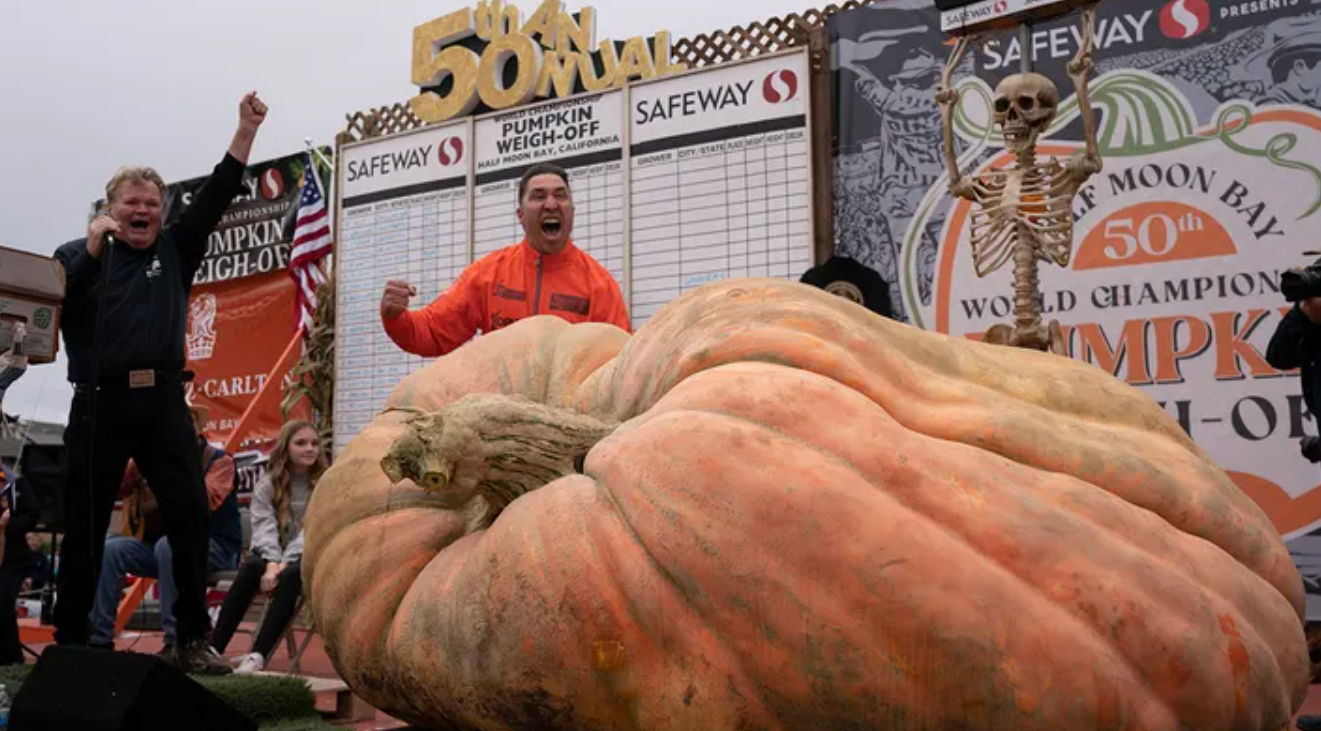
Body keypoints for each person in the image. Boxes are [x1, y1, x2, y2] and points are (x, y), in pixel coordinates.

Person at [50, 92, 268, 675]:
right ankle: (72, 642)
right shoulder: (76, 255)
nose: (142, 210)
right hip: (98, 402)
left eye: (152, 202)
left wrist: (245, 129)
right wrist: (93, 254)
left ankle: (192, 641)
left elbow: (220, 191)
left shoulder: (175, 246)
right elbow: (51, 307)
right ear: (109, 208)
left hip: (165, 399)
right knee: (86, 522)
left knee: (191, 509)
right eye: (132, 202)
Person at [380, 163, 631, 356]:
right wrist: (396, 318)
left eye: (560, 195)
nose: (551, 204)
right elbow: (433, 332)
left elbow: (622, 359)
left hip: (569, 418)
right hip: (499, 418)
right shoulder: (489, 274)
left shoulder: (600, 285)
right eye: (539, 196)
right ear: (520, 215)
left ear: (572, 212)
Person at [87, 402, 241, 656]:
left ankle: (176, 641)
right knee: (111, 548)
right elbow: (114, 488)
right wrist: (129, 454)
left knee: (169, 546)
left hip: (214, 547)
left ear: (195, 427)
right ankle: (99, 639)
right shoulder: (149, 459)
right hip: (161, 548)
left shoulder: (218, 461)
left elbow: (203, 502)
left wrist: (162, 487)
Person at [210, 420, 325, 674]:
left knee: (292, 574)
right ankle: (213, 649)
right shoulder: (268, 483)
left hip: (313, 558)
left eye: (315, 443)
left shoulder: (325, 484)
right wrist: (272, 563)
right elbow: (263, 528)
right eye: (301, 443)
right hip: (278, 558)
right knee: (252, 566)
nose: (310, 449)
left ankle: (258, 655)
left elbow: (312, 531)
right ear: (285, 448)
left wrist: (282, 565)